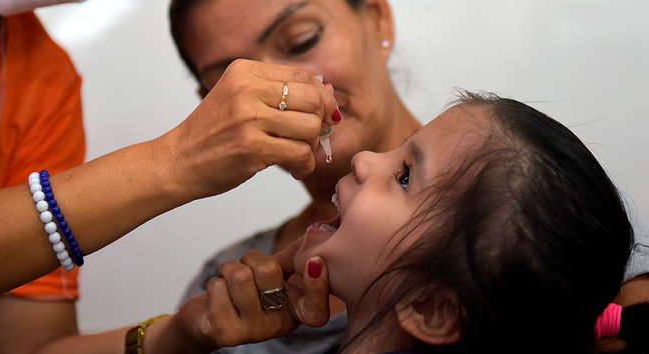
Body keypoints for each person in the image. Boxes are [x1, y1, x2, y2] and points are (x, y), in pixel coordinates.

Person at [170, 0, 649, 353]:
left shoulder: (543, 216)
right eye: (232, 78)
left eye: (302, 41)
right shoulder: (219, 291)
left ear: (378, 17)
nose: (280, 89)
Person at [0, 0, 338, 353]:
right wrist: (176, 161)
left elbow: (27, 347)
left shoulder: (43, 80)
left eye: (301, 40)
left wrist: (178, 334)